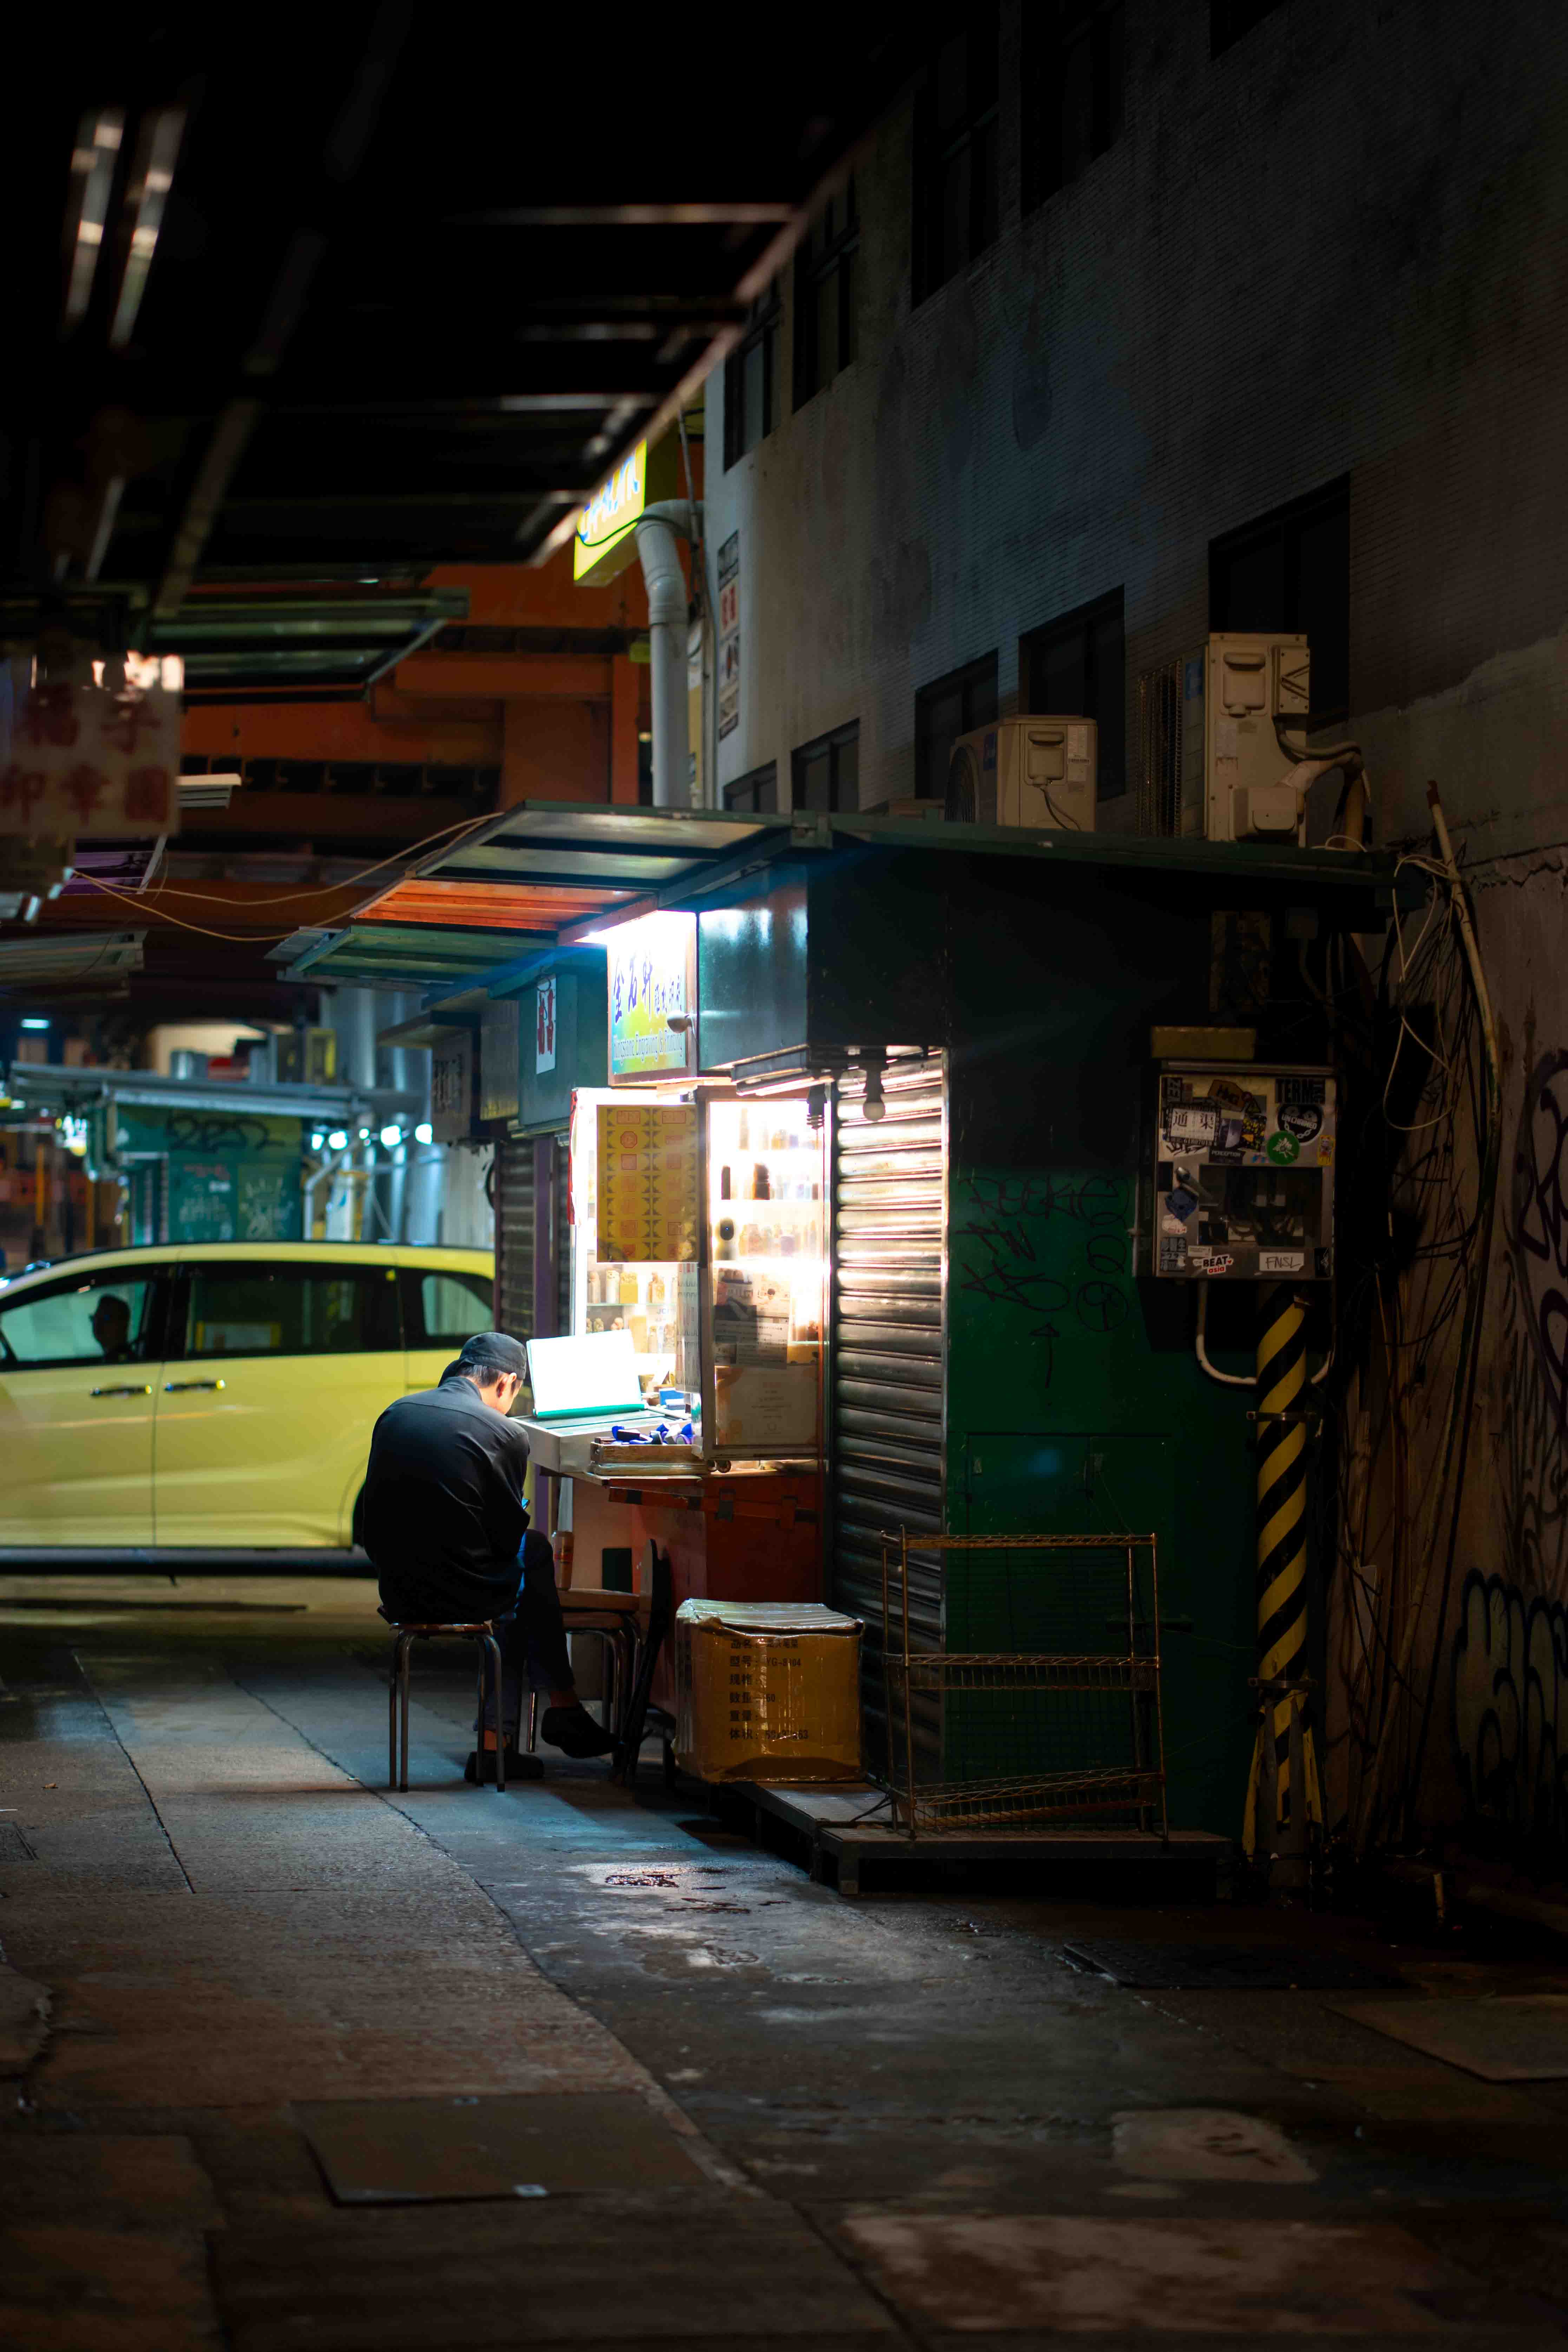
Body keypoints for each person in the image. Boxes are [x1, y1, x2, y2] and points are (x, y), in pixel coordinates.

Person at [362, 1331, 613, 1782]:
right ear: (508, 1384)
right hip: (462, 1594)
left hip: (397, 1591)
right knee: (528, 1559)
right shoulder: (505, 1433)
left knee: (517, 1585)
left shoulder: (396, 1414)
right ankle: (555, 1708)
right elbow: (505, 1535)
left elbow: (371, 1515)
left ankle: (505, 1741)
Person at [90, 1294, 134, 1361]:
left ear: (122, 1325)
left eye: (106, 1318)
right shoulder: (110, 1359)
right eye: (95, 1318)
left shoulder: (125, 1362)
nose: (98, 1323)